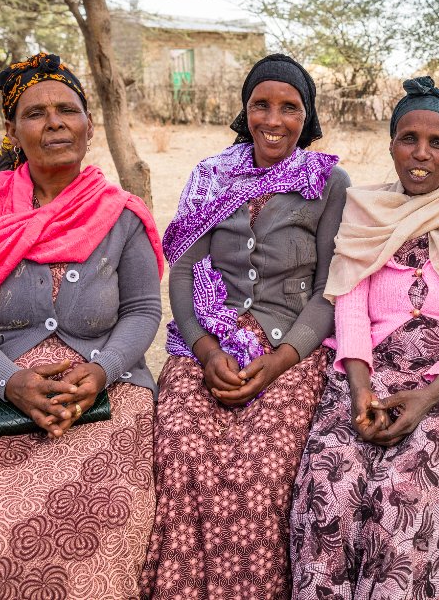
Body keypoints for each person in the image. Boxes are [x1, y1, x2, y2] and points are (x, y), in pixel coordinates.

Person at [0, 52, 164, 597]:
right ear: (12, 130)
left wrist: (102, 370)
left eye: (67, 110)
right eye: (36, 113)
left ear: (89, 125)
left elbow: (141, 311)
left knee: (103, 520)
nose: (55, 123)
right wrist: (8, 381)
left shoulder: (119, 213)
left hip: (103, 393)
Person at [288, 76, 439, 599]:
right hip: (366, 368)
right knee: (330, 485)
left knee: (407, 490)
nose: (421, 154)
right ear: (390, 143)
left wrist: (430, 395)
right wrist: (360, 389)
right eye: (408, 138)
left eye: (438, 144)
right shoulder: (365, 210)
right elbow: (350, 301)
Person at [140, 53, 349, 599]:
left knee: (266, 468)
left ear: (308, 117)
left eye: (290, 107)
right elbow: (183, 269)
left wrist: (282, 361)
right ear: (245, 110)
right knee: (179, 449)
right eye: (262, 104)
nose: (273, 119)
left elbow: (330, 289)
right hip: (206, 338)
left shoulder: (328, 182)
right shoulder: (211, 177)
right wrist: (206, 352)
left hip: (291, 350)